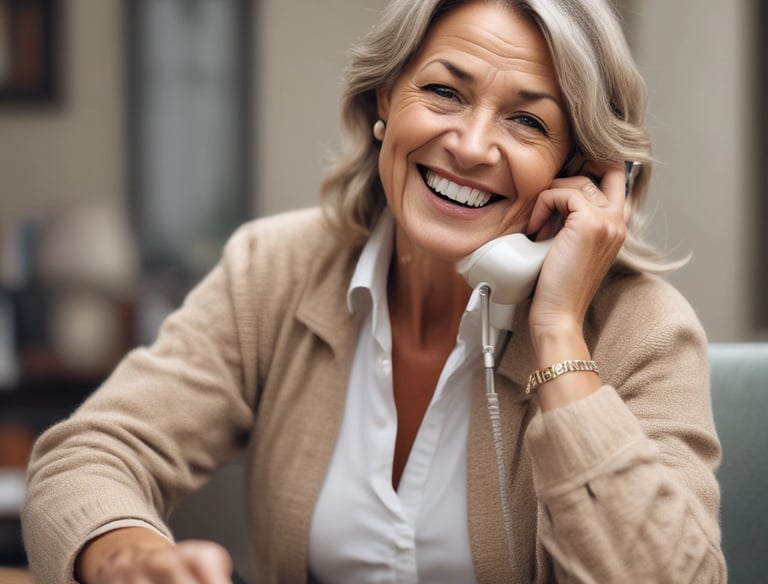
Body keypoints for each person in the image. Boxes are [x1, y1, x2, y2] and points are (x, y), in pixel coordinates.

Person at [22, 0, 726, 582]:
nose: (472, 146)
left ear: (579, 168)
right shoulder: (275, 269)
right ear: (386, 98)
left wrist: (557, 339)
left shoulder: (644, 331)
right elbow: (90, 451)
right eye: (445, 91)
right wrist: (128, 555)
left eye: (527, 120)